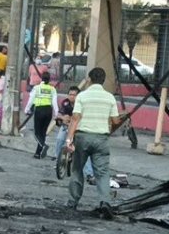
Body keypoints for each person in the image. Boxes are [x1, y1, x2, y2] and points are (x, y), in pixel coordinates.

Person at [65, 68, 121, 214]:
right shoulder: (110, 98)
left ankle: (73, 201)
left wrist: (69, 139)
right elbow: (116, 120)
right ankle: (105, 202)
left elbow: (75, 118)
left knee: (77, 169)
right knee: (102, 172)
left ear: (89, 79)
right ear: (103, 80)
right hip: (101, 138)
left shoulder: (82, 96)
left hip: (82, 137)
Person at [24, 73, 59, 159]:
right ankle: (38, 153)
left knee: (36, 133)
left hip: (39, 110)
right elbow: (54, 102)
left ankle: (43, 146)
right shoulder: (52, 89)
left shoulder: (37, 88)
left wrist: (26, 109)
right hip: (48, 111)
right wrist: (56, 113)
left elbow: (31, 99)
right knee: (43, 133)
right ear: (49, 79)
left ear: (41, 79)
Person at [51, 85, 79, 168]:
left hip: (77, 127)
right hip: (66, 126)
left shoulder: (80, 104)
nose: (72, 97)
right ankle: (57, 159)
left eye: (74, 95)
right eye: (70, 94)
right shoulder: (65, 103)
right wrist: (63, 118)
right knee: (59, 139)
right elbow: (59, 115)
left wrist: (70, 118)